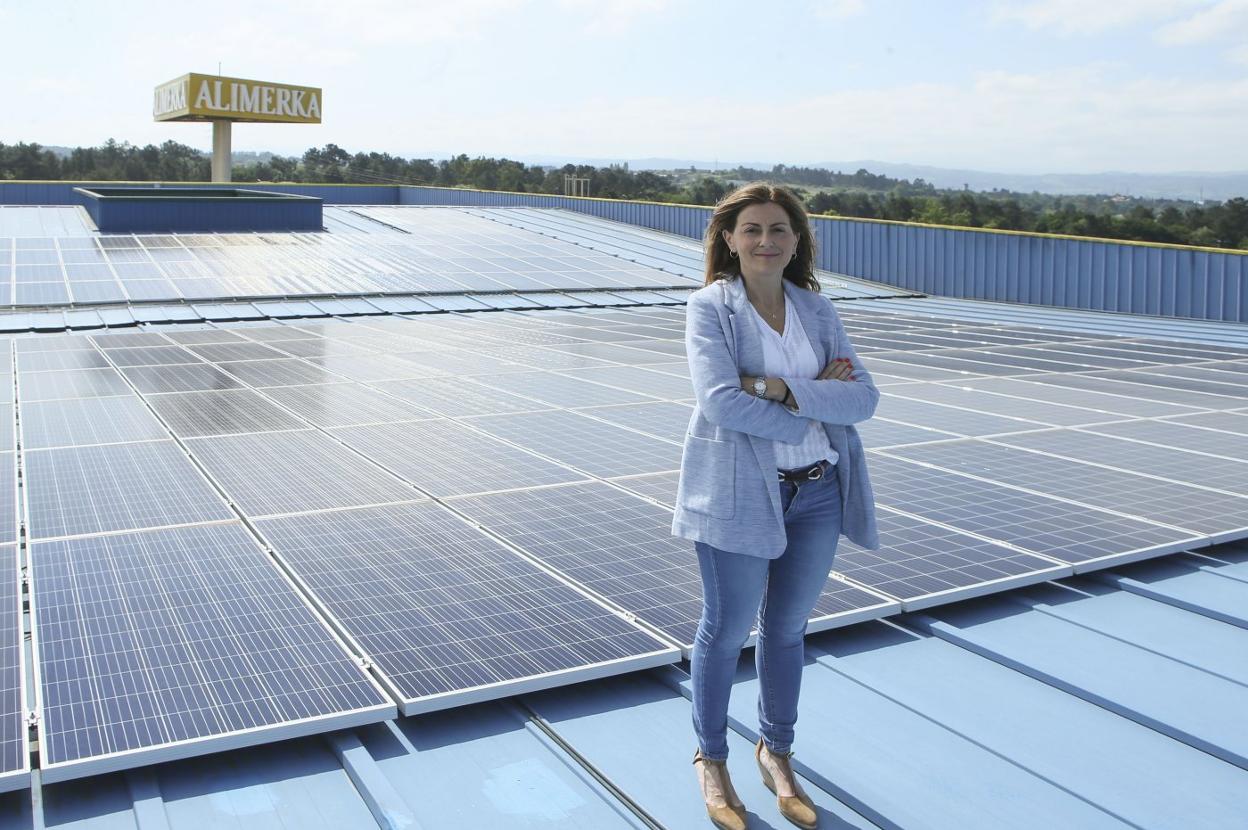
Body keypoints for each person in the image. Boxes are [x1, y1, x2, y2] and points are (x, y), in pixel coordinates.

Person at [673, 182, 880, 830]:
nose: (767, 241)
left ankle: (776, 751)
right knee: (727, 631)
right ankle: (711, 760)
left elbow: (864, 399)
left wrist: (775, 388)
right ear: (729, 239)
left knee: (788, 631)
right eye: (753, 230)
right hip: (738, 493)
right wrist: (812, 400)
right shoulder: (711, 308)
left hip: (818, 491)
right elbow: (718, 403)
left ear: (797, 241)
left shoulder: (815, 310)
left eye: (779, 230)